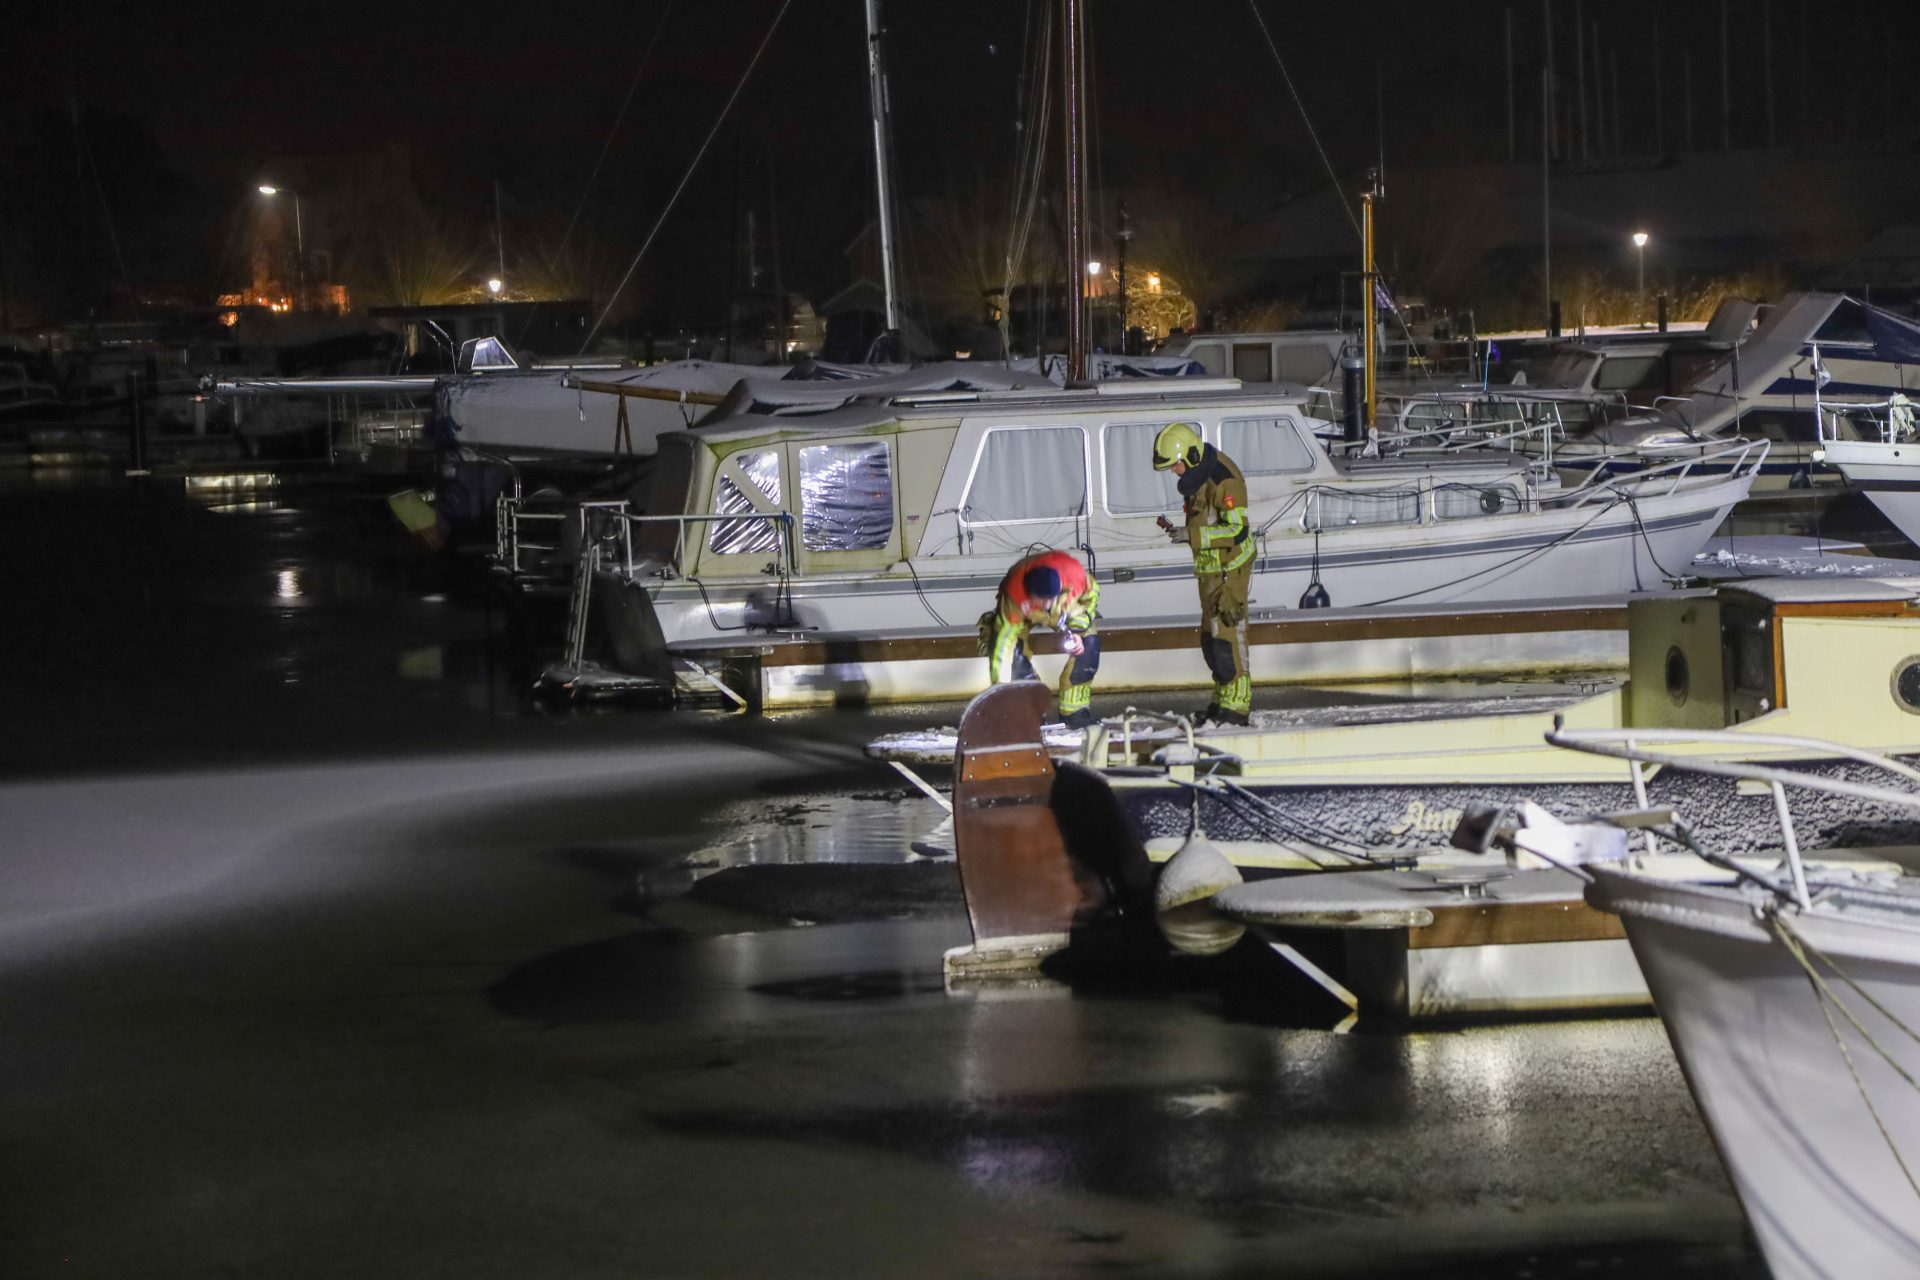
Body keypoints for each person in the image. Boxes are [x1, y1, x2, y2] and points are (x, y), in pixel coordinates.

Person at [1152, 422, 1254, 726]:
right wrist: (1185, 533)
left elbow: (1237, 530)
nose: (1174, 472)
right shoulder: (1198, 477)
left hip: (1229, 569)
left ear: (1192, 456)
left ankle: (1237, 706)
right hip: (1209, 571)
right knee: (1210, 640)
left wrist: (1192, 537)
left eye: (1176, 465)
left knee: (1228, 637)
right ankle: (1222, 700)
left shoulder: (1225, 479)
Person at [978, 550, 1102, 730]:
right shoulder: (1014, 597)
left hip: (1065, 611)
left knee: (1089, 645)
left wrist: (1076, 631)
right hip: (1024, 614)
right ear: (1030, 593)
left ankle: (1074, 713)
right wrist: (1000, 692)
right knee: (1014, 657)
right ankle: (1031, 713)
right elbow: (1002, 648)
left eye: (1049, 599)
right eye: (1040, 599)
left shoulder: (1076, 579)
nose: (1045, 605)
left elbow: (1089, 600)